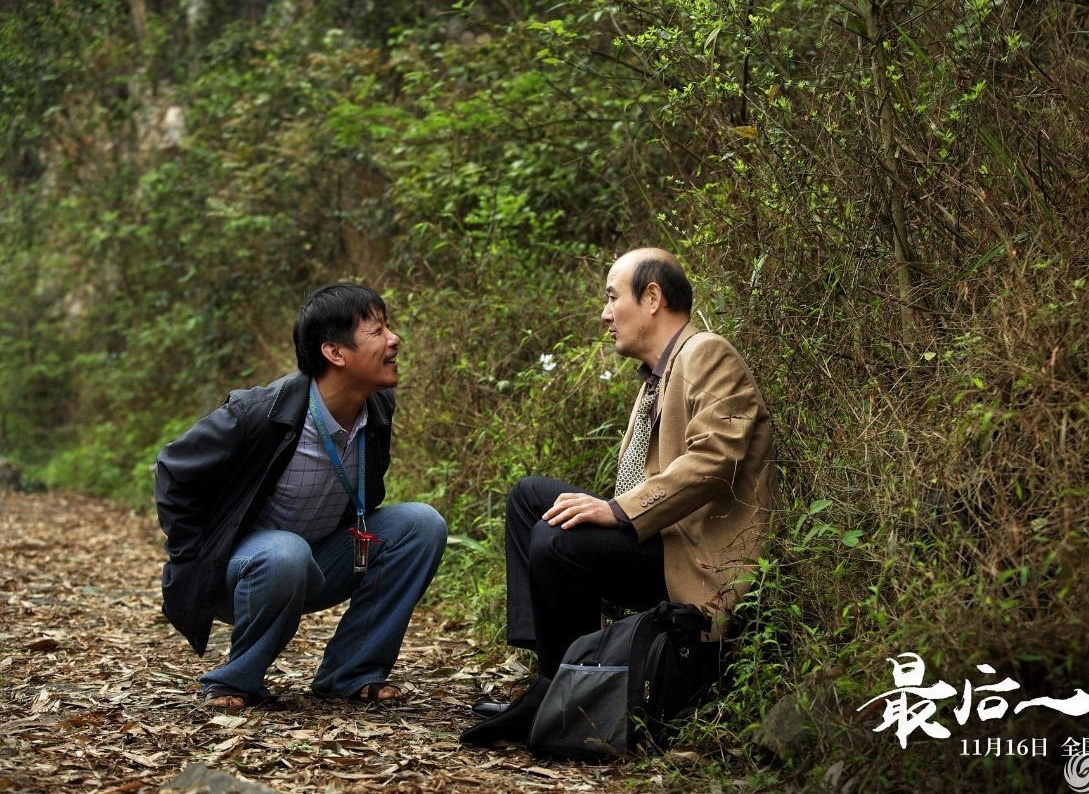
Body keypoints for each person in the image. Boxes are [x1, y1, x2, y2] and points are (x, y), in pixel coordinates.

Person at [460, 247, 774, 745]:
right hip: (662, 540)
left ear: (652, 297)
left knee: (557, 539)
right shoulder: (657, 377)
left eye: (612, 298)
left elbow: (717, 460)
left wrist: (617, 511)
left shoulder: (708, 354)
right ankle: (550, 678)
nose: (605, 314)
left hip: (693, 560)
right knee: (530, 498)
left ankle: (568, 695)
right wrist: (615, 514)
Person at [155, 283, 447, 709]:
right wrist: (190, 558)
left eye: (389, 327)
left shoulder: (378, 407)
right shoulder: (259, 413)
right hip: (241, 575)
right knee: (284, 552)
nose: (394, 339)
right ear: (335, 352)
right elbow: (173, 468)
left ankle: (351, 673)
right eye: (378, 330)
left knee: (422, 524)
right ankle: (234, 681)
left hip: (318, 564)